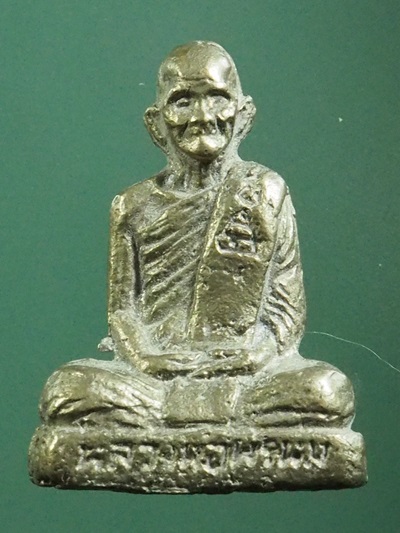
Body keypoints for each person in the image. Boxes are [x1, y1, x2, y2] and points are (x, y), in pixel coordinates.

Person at [39, 41, 354, 430]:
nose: (203, 117)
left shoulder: (264, 190)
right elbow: (122, 311)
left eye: (218, 99)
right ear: (155, 122)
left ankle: (184, 419)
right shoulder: (132, 206)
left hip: (243, 375)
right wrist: (146, 360)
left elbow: (286, 310)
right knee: (66, 390)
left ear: (244, 114)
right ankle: (201, 418)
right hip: (155, 380)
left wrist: (255, 357)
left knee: (327, 390)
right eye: (183, 101)